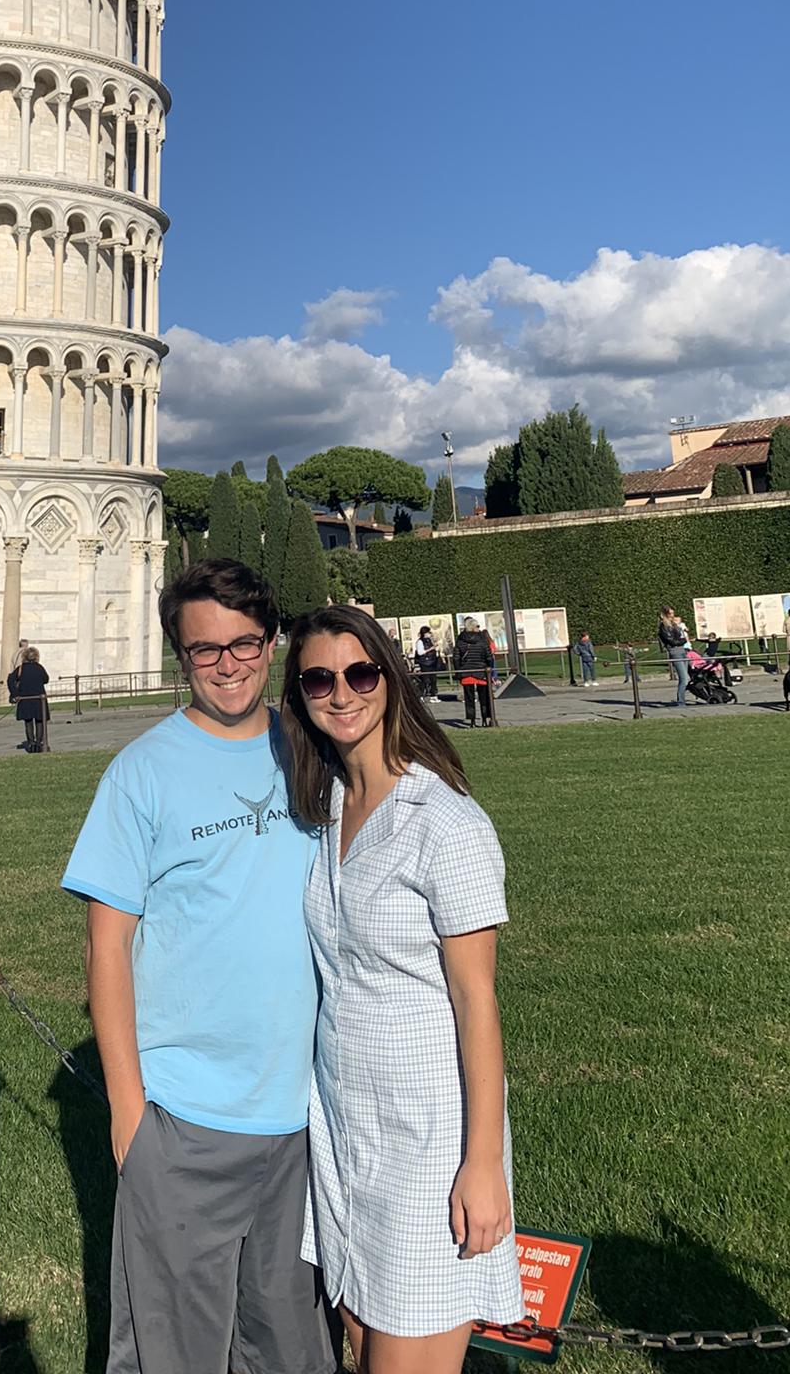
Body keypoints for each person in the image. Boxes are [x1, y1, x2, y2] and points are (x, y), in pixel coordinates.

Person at [62, 559, 332, 1374]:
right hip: (183, 1117)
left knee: (291, 1349)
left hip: (307, 1112)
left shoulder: (315, 747)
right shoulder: (140, 772)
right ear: (180, 656)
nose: (227, 665)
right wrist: (127, 1112)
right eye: (204, 650)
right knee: (172, 1354)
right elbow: (106, 946)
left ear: (272, 643)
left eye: (245, 645)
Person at [281, 605, 525, 1373]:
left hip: (429, 1137)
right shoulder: (324, 811)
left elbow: (476, 1001)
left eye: (360, 673)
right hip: (346, 1125)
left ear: (389, 677)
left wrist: (481, 1162)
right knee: (361, 1344)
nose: (341, 693)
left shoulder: (444, 821)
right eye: (319, 678)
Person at [451, 621, 497, 727]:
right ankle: (485, 719)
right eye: (477, 626)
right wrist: (488, 667)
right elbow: (489, 656)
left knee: (469, 698)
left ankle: (472, 721)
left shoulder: (460, 641)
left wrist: (459, 671)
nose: (479, 628)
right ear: (473, 627)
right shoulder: (482, 640)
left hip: (466, 672)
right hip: (481, 672)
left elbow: (456, 658)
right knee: (484, 698)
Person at [11, 645, 51, 752]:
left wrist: (15, 694)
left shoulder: (21, 668)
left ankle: (31, 743)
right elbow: (46, 679)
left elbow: (10, 679)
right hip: (39, 699)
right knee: (39, 721)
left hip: (25, 698)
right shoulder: (39, 667)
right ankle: (39, 743)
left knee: (28, 722)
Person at [657, 607, 690, 707]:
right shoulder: (663, 627)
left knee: (686, 678)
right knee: (684, 678)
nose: (673, 615)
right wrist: (683, 640)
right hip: (675, 651)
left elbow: (681, 636)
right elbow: (672, 641)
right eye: (671, 614)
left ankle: (682, 699)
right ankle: (680, 701)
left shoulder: (674, 625)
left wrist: (682, 640)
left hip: (682, 650)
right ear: (666, 615)